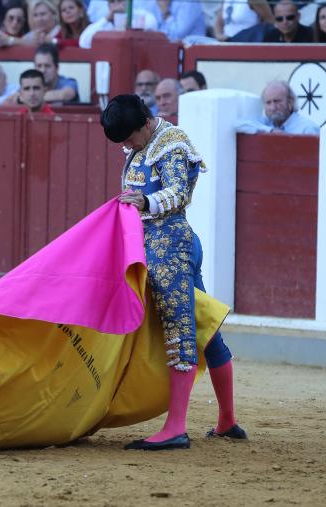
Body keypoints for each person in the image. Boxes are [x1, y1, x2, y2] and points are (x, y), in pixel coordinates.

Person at [101, 93, 246, 451]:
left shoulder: (172, 144)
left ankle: (176, 428)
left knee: (180, 327)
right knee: (205, 330)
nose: (128, 145)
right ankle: (227, 421)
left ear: (146, 123)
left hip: (171, 245)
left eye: (130, 137)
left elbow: (180, 192)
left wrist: (146, 202)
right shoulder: (142, 145)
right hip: (154, 243)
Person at [79, 0, 158, 48]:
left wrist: (127, 18)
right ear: (108, 4)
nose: (116, 5)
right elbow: (84, 42)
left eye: (120, 0)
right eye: (112, 1)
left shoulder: (140, 14)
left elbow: (151, 25)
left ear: (127, 0)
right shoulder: (104, 23)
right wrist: (105, 20)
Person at [237, 80, 319, 134]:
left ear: (290, 102)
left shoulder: (307, 128)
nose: (273, 108)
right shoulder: (266, 123)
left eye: (277, 101)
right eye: (268, 103)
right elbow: (238, 124)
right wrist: (271, 131)